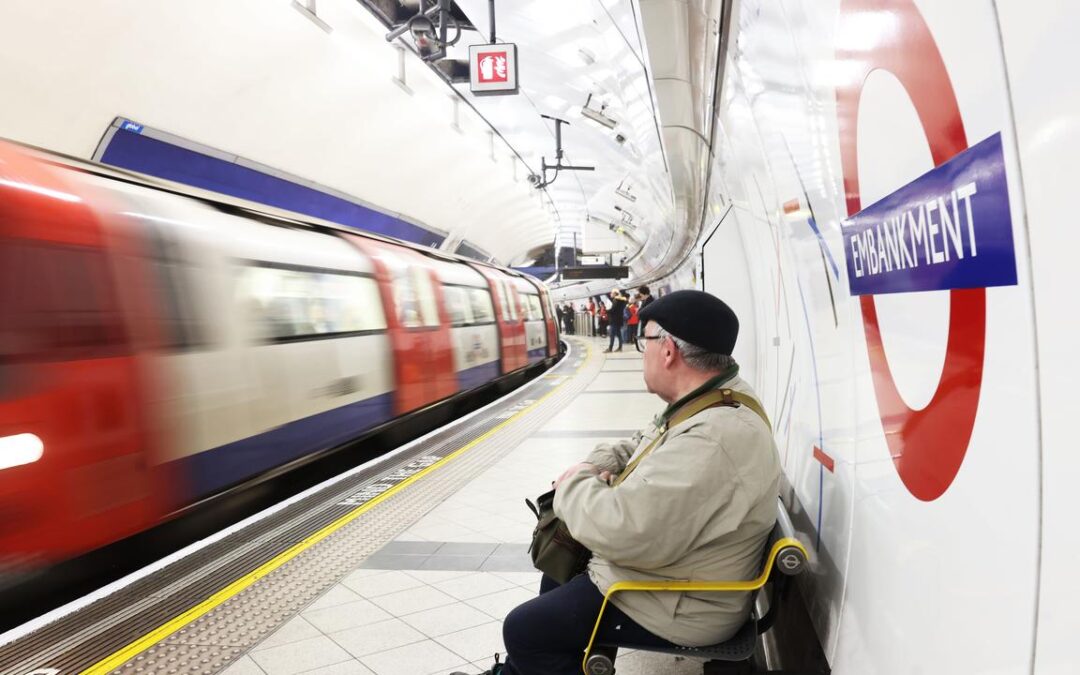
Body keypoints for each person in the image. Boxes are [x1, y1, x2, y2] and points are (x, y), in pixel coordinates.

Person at [454, 290, 780, 675]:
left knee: (525, 629)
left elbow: (623, 530)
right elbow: (640, 443)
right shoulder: (711, 399)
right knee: (558, 566)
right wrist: (594, 467)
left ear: (669, 350)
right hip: (678, 576)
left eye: (646, 340)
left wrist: (571, 487)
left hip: (681, 603)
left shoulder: (714, 435)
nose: (641, 350)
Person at [604, 288, 628, 353]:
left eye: (611, 293)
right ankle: (620, 347)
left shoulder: (616, 300)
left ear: (614, 293)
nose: (610, 294)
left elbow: (613, 310)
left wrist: (606, 311)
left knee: (612, 334)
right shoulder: (621, 301)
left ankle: (610, 348)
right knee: (619, 334)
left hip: (614, 320)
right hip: (619, 320)